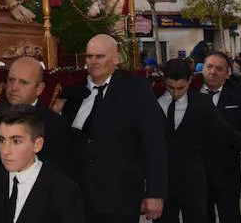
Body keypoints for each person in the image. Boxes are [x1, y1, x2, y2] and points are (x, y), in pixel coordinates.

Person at [61, 34, 167, 223]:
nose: (93, 62)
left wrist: (155, 193)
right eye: (89, 56)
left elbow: (155, 143)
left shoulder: (136, 89)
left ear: (116, 59)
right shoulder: (72, 93)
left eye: (99, 56)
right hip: (77, 200)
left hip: (120, 200)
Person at [158, 59, 241, 223]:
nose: (176, 93)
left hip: (193, 183)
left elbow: (224, 130)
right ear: (164, 81)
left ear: (190, 80)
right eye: (171, 88)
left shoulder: (201, 103)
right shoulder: (151, 102)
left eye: (181, 88)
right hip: (162, 183)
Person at [0, 105, 85, 223]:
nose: (5, 151)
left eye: (16, 141)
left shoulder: (63, 190)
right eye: (2, 140)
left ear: (37, 145)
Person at [0, 57, 70, 174]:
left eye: (23, 82)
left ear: (39, 89)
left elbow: (55, 173)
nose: (14, 88)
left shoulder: (54, 125)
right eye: (11, 80)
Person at [199, 52, 241, 223]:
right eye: (209, 67)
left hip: (227, 175)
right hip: (197, 176)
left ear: (227, 73)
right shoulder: (189, 95)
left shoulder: (238, 98)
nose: (213, 72)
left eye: (219, 68)